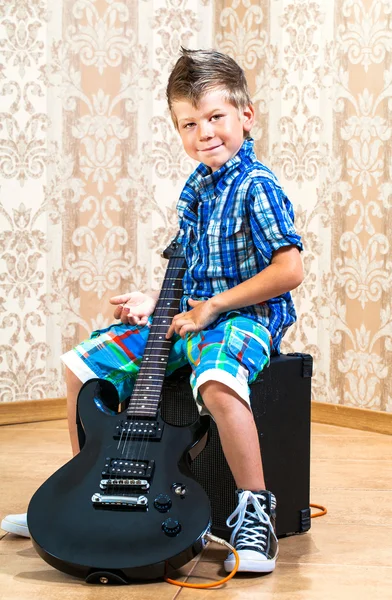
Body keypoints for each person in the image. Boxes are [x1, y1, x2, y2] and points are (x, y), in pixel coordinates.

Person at [1, 48, 303, 575]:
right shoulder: (196, 187)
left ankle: (255, 509)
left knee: (214, 378)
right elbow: (186, 265)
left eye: (216, 117)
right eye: (189, 123)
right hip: (192, 312)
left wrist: (213, 307)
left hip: (245, 316)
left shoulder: (259, 186)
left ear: (245, 117)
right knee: (81, 365)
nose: (204, 133)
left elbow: (289, 270)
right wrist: (153, 301)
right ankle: (82, 483)